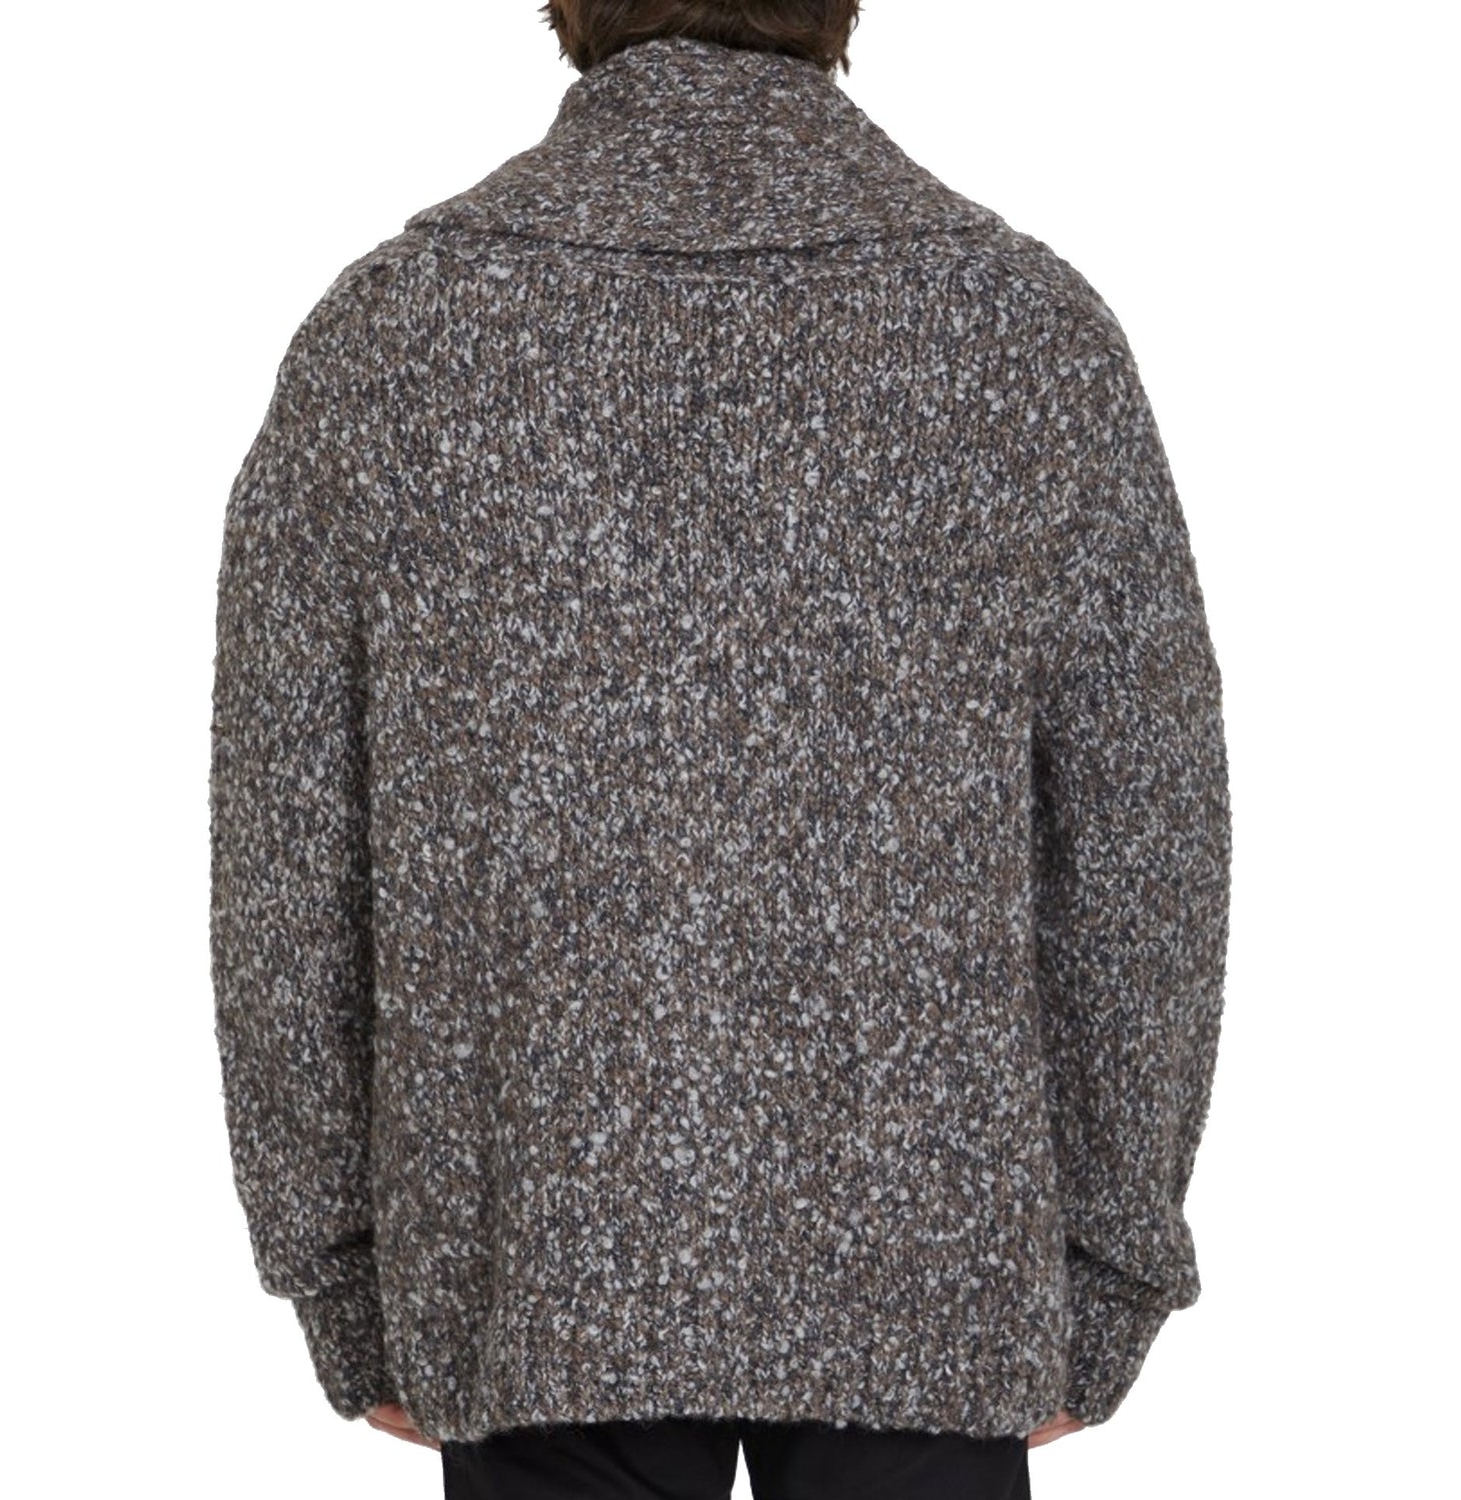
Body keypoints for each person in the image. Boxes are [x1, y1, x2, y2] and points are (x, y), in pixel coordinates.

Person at [207, 2, 1232, 1496]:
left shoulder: (388, 340)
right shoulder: (1027, 333)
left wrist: (344, 1273)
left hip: (534, 1261)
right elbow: (1148, 848)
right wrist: (1107, 1263)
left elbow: (286, 855)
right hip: (929, 1261)